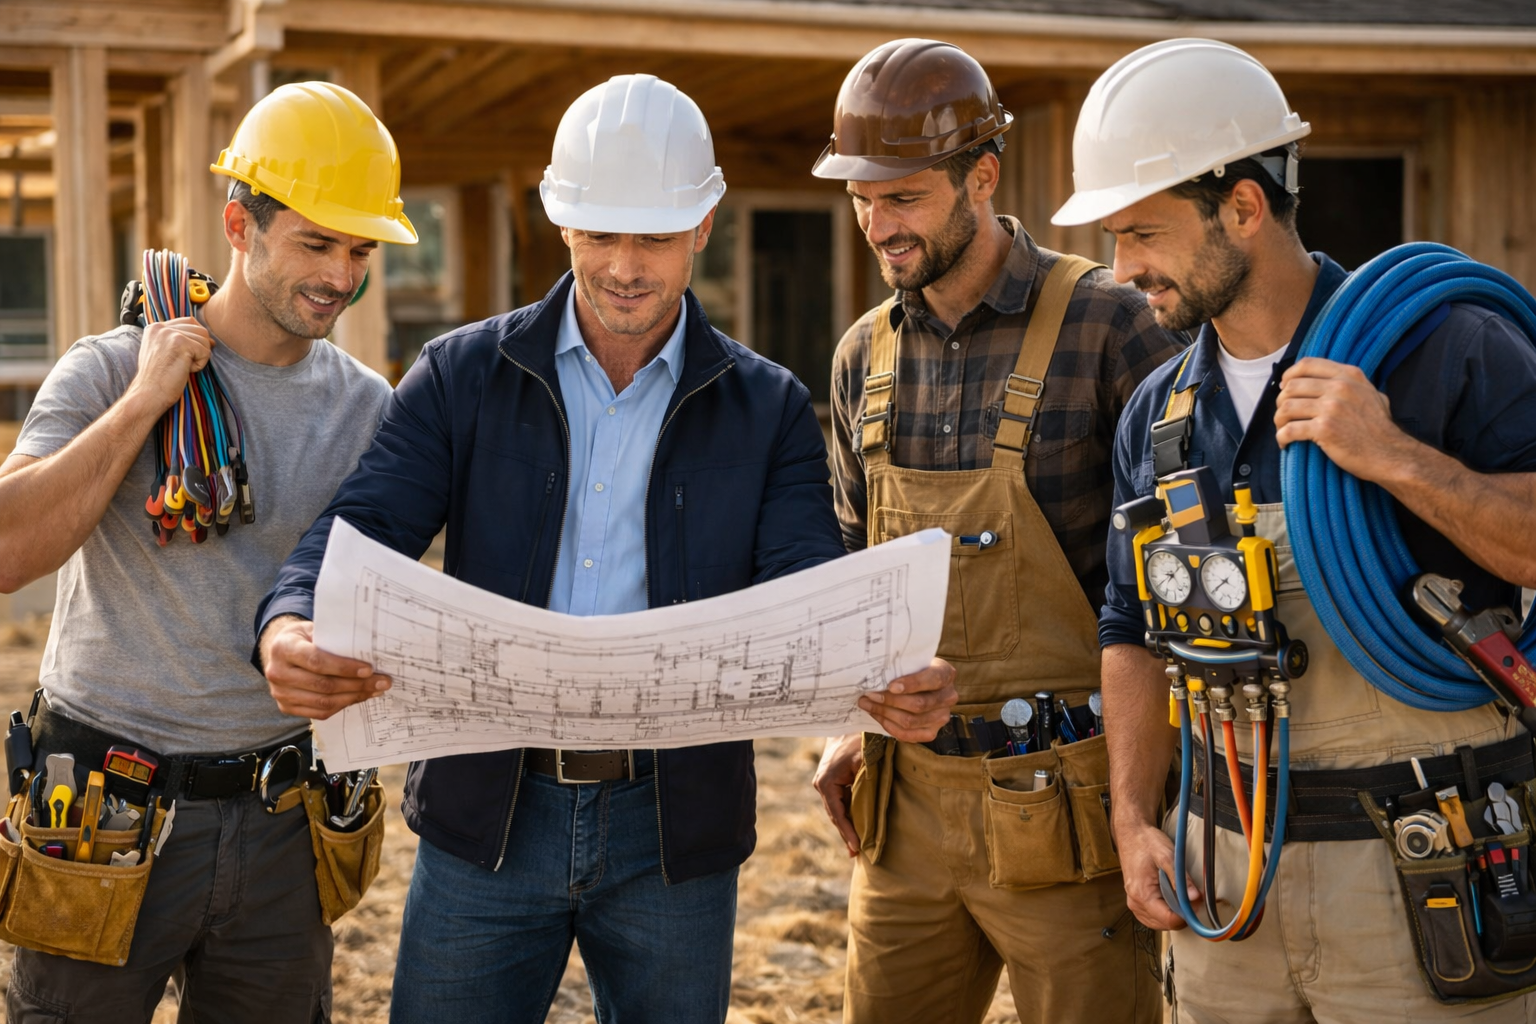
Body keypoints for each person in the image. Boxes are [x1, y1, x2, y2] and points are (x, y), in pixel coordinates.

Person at [255, 73, 957, 1024]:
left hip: (673, 833)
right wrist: (290, 621)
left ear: (704, 225)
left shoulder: (768, 408)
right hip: (486, 816)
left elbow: (805, 587)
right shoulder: (463, 375)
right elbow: (361, 525)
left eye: (656, 238)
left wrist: (880, 667)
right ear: (563, 225)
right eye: (603, 235)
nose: (627, 265)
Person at [1066, 37, 1536, 1022]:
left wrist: (1396, 454)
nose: (1122, 270)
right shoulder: (1162, 413)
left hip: (1419, 868)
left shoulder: (1440, 347)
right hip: (1227, 882)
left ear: (1241, 205)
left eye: (1142, 233)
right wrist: (1131, 819)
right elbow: (1129, 628)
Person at [0, 81, 413, 1020]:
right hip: (104, 818)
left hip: (281, 820)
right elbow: (8, 550)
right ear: (240, 223)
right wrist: (146, 401)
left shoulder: (366, 410)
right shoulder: (110, 367)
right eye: (315, 242)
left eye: (360, 250)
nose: (341, 278)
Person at [810, 38, 1186, 1024]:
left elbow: (1182, 581)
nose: (877, 225)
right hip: (908, 812)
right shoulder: (863, 357)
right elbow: (859, 570)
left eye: (905, 198)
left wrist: (1150, 802)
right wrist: (858, 720)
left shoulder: (1113, 327)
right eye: (862, 198)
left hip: (1072, 814)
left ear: (983, 176)